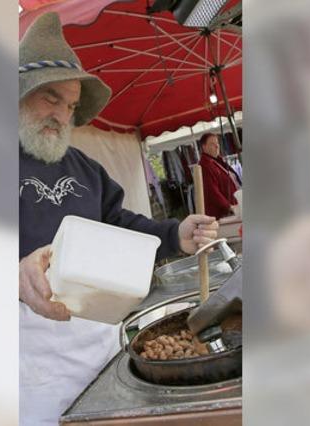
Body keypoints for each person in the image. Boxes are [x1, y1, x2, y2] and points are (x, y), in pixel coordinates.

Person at [18, 12, 219, 425]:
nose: (62, 115)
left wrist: (174, 234)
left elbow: (120, 225)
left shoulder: (85, 168)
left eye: (71, 105)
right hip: (25, 353)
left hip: (96, 337)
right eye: (50, 98)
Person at [198, 133, 240, 219]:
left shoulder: (217, 160)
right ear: (204, 147)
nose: (217, 146)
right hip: (222, 215)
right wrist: (229, 207)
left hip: (231, 210)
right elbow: (212, 192)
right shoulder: (204, 165)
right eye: (212, 144)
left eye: (217, 143)